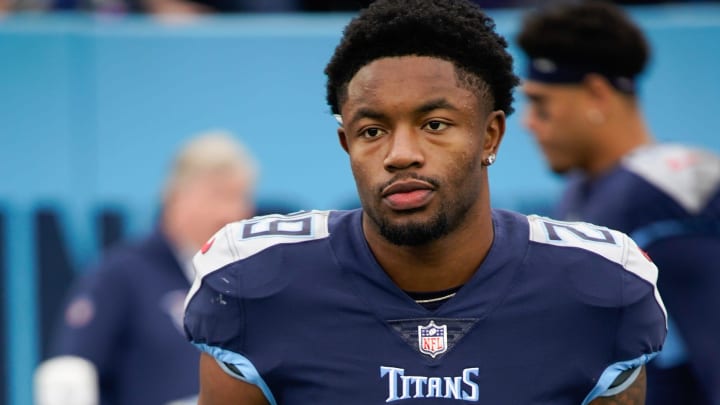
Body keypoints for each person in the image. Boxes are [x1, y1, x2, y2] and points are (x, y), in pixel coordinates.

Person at [184, 1, 666, 404]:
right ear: (346, 145)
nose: (400, 155)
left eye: (434, 124)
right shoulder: (251, 283)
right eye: (372, 131)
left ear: (490, 135)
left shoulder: (602, 286)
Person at [516, 2, 720, 404]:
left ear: (596, 93)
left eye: (541, 103)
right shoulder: (581, 193)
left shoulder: (664, 193)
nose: (528, 121)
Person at [39, 130, 259, 405]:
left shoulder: (252, 283)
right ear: (175, 197)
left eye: (239, 197)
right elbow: (69, 373)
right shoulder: (119, 275)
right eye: (218, 196)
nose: (230, 213)